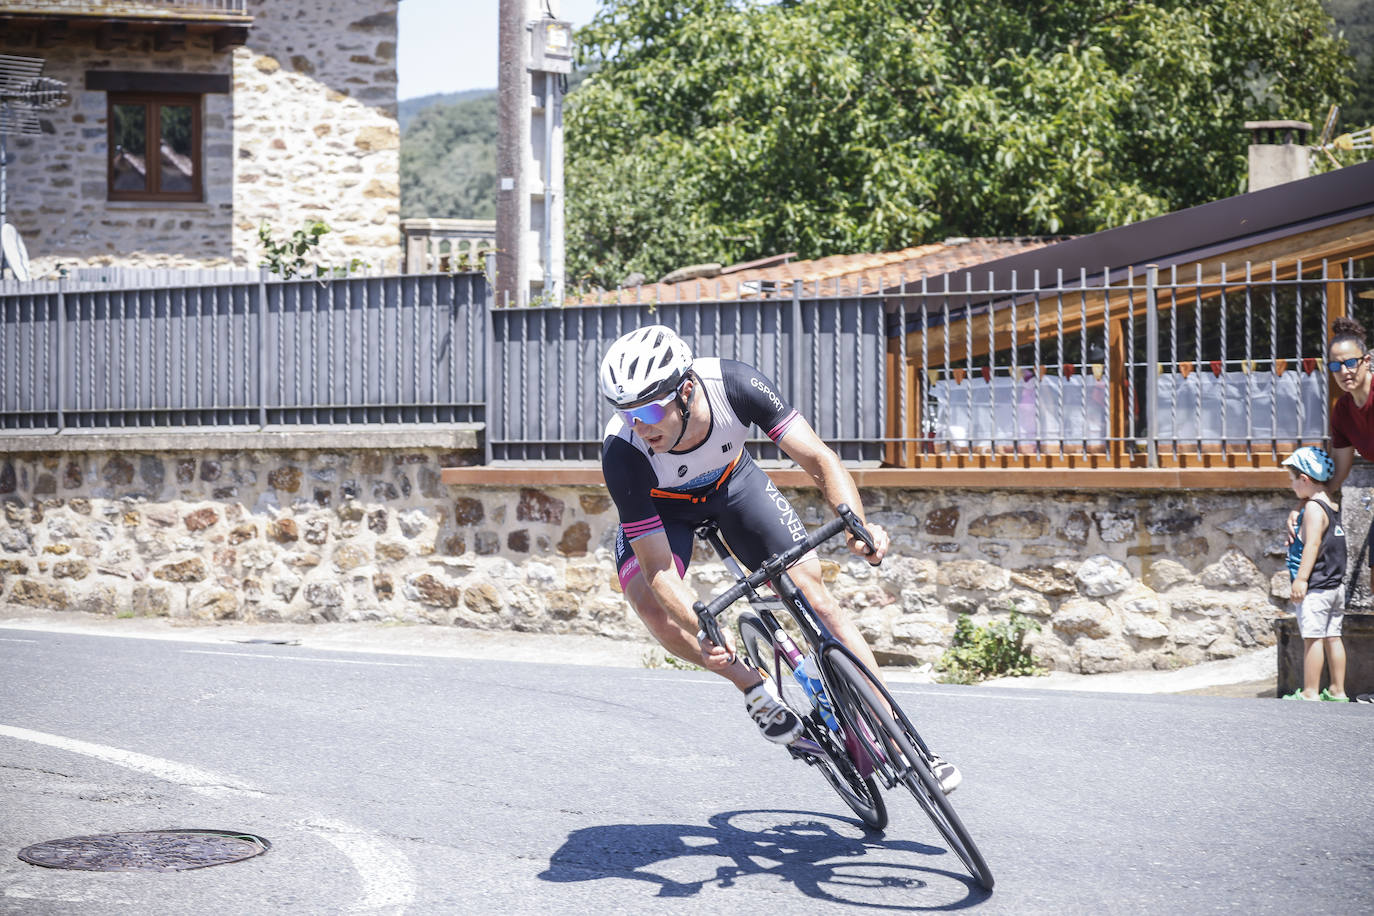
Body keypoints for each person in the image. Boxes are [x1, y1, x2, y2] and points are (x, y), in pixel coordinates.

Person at [598, 324, 961, 792]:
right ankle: (751, 685)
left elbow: (818, 459)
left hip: (732, 486)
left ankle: (902, 740)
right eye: (627, 415)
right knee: (650, 603)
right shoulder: (623, 452)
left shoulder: (735, 385)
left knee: (816, 597)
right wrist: (701, 625)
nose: (640, 426)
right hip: (663, 508)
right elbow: (660, 569)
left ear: (686, 390)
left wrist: (858, 522)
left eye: (649, 409)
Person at [1280, 446, 1349, 701]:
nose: (1292, 485)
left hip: (1316, 587)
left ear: (1304, 479)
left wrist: (1301, 579)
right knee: (1333, 637)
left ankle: (1310, 692)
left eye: (1292, 479)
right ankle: (1338, 690)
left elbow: (1312, 544)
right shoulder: (1331, 502)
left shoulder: (1312, 509)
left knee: (1313, 639)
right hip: (1335, 587)